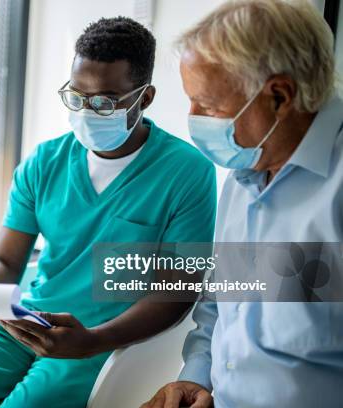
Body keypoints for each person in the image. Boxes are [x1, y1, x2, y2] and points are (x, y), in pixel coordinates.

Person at [0, 16, 216, 408]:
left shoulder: (187, 172)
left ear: (145, 97)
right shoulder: (45, 161)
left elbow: (176, 293)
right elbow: (4, 260)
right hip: (26, 320)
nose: (87, 112)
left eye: (104, 101)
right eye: (76, 97)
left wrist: (93, 341)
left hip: (101, 335)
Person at [142, 1, 343, 407]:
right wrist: (198, 378)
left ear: (279, 97)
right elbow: (219, 301)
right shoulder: (248, 169)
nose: (193, 118)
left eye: (210, 106)